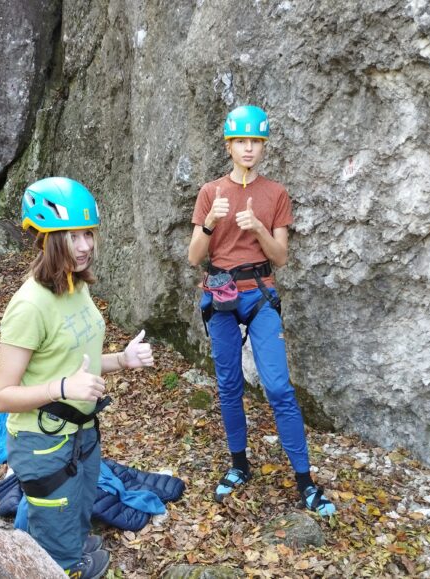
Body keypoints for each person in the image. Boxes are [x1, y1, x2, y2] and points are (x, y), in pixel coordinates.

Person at [0, 176, 155, 578]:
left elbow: (74, 362)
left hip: (81, 433)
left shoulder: (74, 285)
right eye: (70, 236)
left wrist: (122, 359)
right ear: (46, 238)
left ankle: (61, 548)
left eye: (88, 234)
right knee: (62, 559)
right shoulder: (30, 305)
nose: (84, 246)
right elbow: (0, 397)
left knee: (75, 518)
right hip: (43, 444)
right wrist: (61, 388)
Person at [187, 105, 336, 517]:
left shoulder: (276, 194)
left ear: (264, 146)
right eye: (241, 142)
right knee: (229, 385)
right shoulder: (209, 192)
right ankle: (239, 465)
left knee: (279, 388)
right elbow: (193, 256)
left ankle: (306, 481)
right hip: (220, 295)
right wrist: (211, 224)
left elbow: (282, 257)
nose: (248, 148)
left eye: (255, 142)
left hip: (261, 294)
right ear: (229, 146)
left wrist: (257, 228)